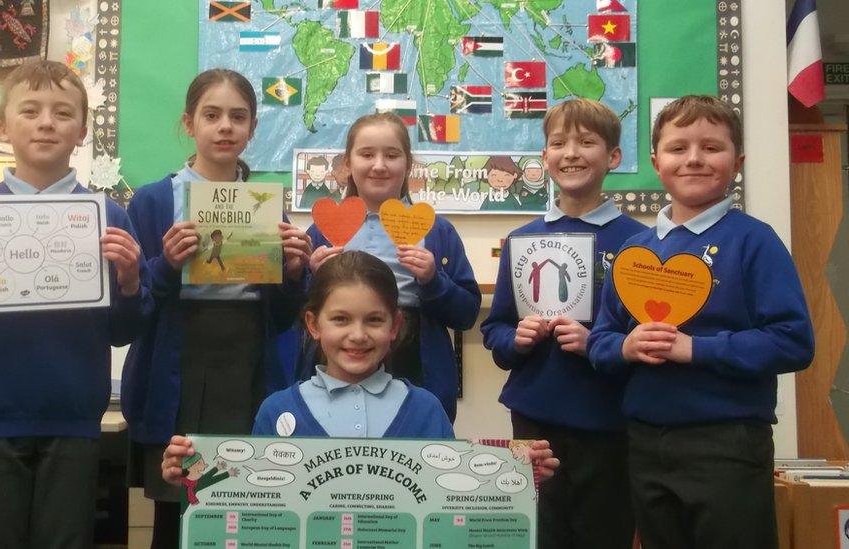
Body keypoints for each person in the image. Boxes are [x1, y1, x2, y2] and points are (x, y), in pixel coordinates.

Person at [0, 59, 152, 549]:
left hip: (73, 419)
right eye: (30, 110)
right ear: (2, 128)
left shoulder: (109, 216)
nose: (45, 123)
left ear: (81, 131)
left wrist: (128, 281)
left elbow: (125, 328)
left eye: (62, 113)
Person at [588, 95, 815, 549]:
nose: (694, 159)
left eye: (711, 148)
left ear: (738, 161)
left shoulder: (754, 241)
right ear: (656, 161)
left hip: (727, 444)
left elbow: (793, 341)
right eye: (678, 148)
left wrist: (697, 349)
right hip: (646, 442)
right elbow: (600, 341)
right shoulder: (636, 250)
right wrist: (625, 348)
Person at [120, 68, 312, 549]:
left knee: (247, 508)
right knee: (180, 507)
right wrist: (165, 265)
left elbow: (285, 313)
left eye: (238, 116)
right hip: (177, 365)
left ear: (252, 129)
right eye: (212, 115)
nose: (225, 126)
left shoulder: (266, 204)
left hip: (251, 364)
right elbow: (134, 308)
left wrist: (294, 272)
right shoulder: (153, 200)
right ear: (189, 124)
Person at [161, 251, 558, 478]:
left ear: (394, 326)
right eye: (340, 319)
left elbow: (451, 496)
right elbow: (248, 495)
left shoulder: (424, 409)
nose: (357, 335)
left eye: (373, 320)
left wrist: (517, 479)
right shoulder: (277, 410)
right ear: (314, 325)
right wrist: (193, 472)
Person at [480, 98, 645, 549]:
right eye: (558, 143)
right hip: (534, 413)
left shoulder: (639, 243)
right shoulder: (522, 239)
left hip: (607, 418)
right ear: (545, 158)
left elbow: (647, 334)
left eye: (586, 142)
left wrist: (599, 343)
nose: (571, 152)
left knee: (603, 530)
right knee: (538, 530)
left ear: (613, 157)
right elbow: (494, 332)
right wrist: (517, 338)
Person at [304, 113, 481, 421]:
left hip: (415, 362)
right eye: (366, 154)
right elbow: (301, 313)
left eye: (392, 155)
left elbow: (466, 314)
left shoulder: (437, 232)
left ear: (408, 164)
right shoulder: (322, 231)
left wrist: (433, 280)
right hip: (342, 355)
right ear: (347, 163)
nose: (379, 165)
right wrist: (310, 278)